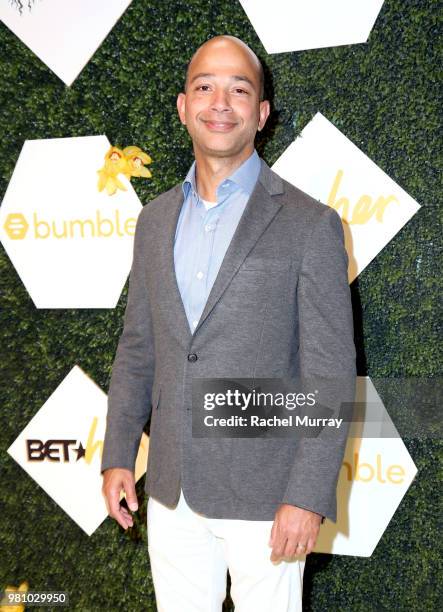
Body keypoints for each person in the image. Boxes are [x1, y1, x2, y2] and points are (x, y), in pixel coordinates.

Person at [101, 35, 356, 612]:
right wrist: (119, 452)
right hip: (170, 490)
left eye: (239, 89)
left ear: (261, 113)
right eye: (204, 87)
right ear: (183, 106)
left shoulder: (311, 224)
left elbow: (331, 374)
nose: (220, 102)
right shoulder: (153, 220)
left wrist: (307, 493)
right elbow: (139, 347)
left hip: (269, 499)